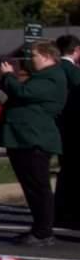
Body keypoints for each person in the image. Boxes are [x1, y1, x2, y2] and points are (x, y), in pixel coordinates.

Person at [0, 42, 65, 247]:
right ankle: (39, 228)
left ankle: (43, 231)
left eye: (33, 55)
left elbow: (25, 93)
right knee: (31, 187)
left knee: (39, 187)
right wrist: (5, 79)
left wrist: (9, 76)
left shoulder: (52, 77)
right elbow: (20, 92)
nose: (29, 59)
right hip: (24, 139)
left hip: (35, 140)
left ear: (46, 56)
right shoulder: (41, 77)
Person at [58, 34, 80, 230]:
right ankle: (71, 212)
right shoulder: (73, 73)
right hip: (73, 126)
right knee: (73, 171)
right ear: (76, 50)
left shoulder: (54, 70)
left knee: (64, 170)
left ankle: (61, 210)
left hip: (59, 126)